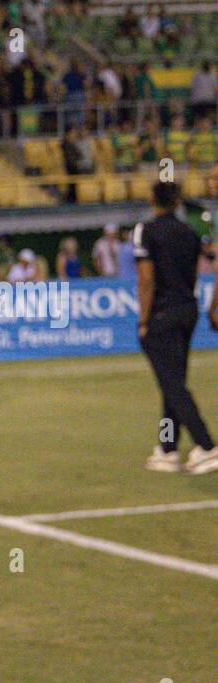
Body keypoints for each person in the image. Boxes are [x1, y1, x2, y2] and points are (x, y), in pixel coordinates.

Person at [133, 181, 218, 474]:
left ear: (153, 200)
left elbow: (146, 279)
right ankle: (168, 449)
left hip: (161, 313)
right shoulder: (190, 232)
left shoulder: (145, 231)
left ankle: (206, 446)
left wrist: (144, 319)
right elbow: (194, 275)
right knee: (173, 383)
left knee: (172, 385)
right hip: (187, 309)